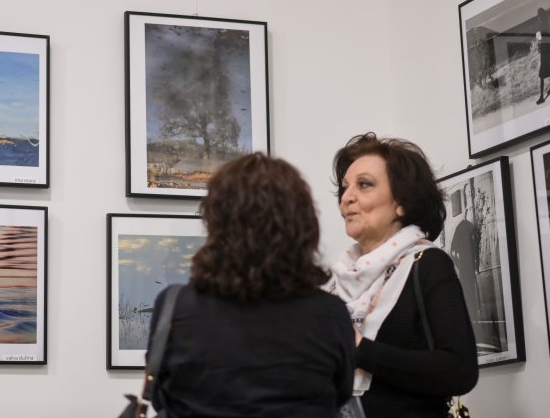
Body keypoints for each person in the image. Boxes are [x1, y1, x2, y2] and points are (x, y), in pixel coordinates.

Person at [148, 152, 356, 418]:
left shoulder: (174, 305)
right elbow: (340, 395)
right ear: (302, 225)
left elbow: (160, 397)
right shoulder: (331, 313)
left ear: (216, 222)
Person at [328, 133, 478, 417]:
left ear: (402, 203)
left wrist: (359, 348)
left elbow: (460, 371)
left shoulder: (427, 264)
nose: (347, 198)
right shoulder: (335, 284)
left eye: (364, 185)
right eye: (345, 188)